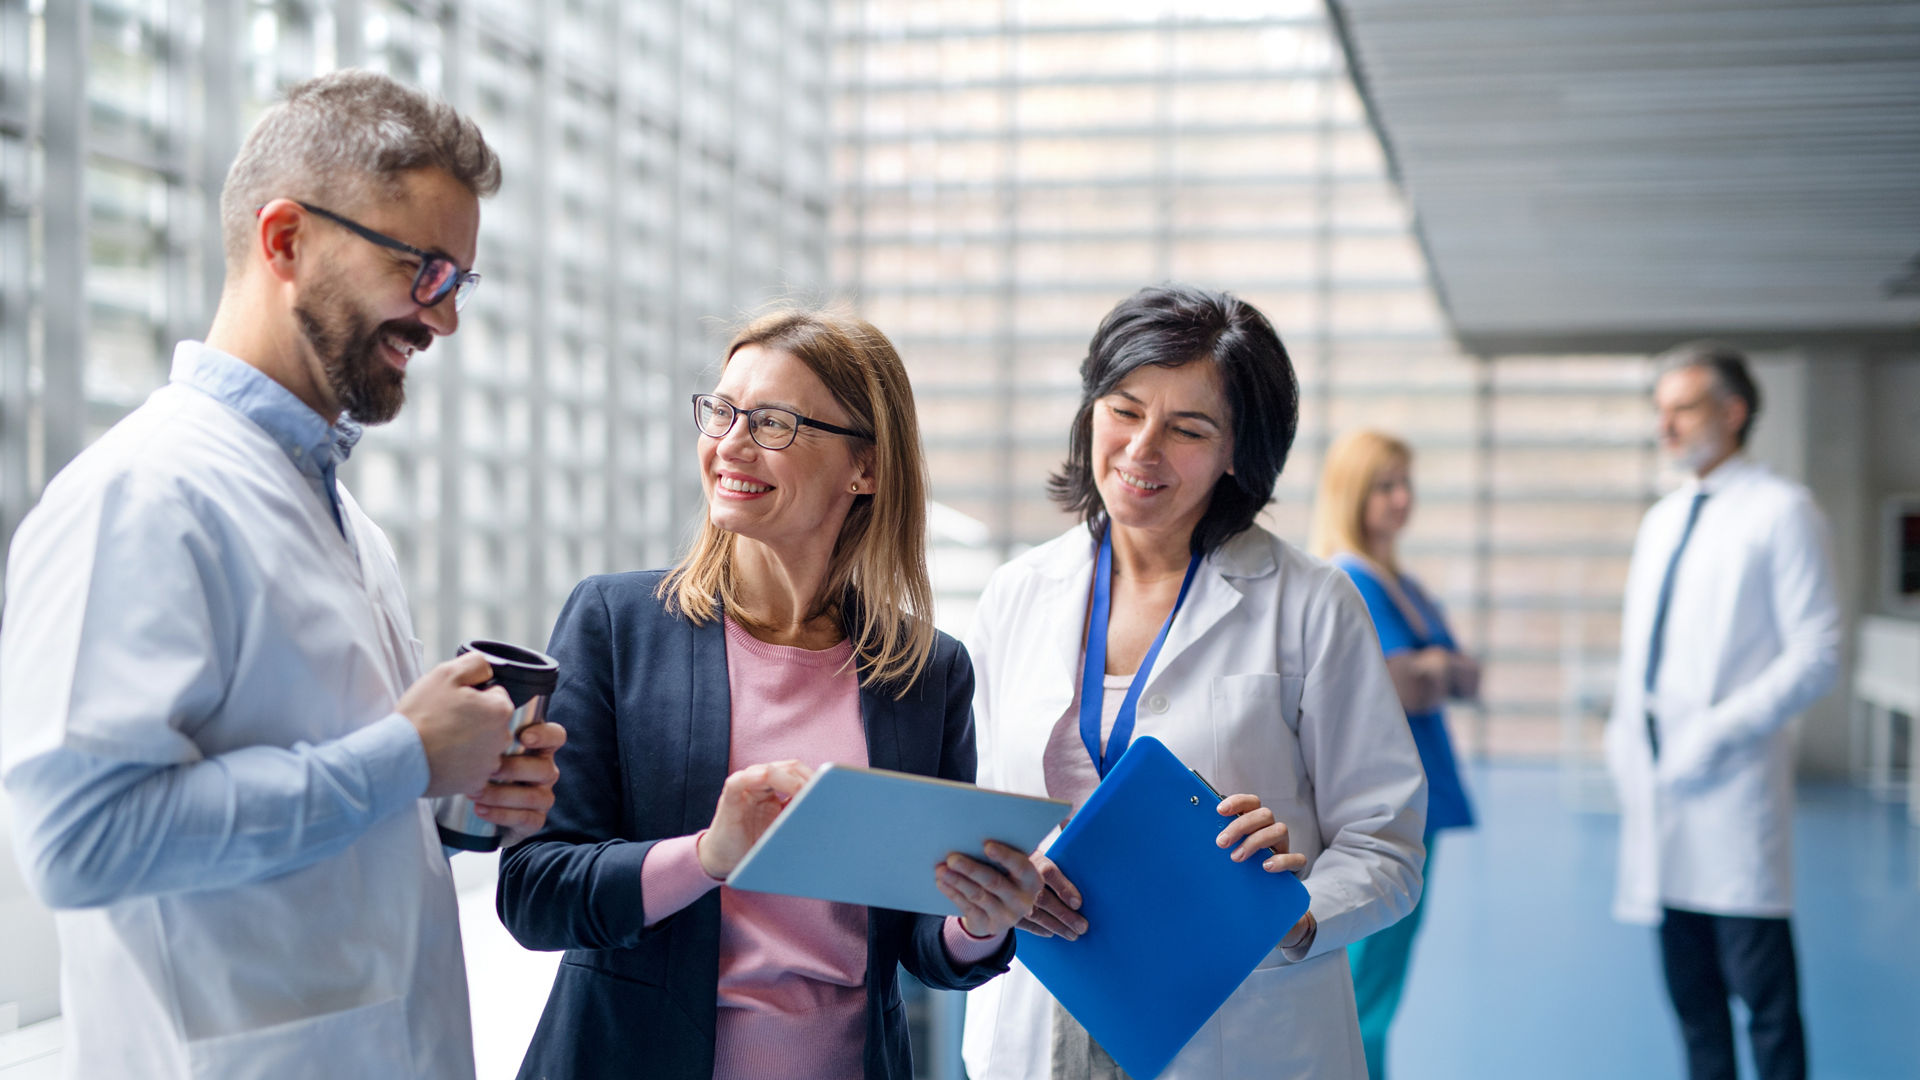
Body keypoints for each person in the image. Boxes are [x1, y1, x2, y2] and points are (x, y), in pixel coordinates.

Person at [0, 70, 566, 1079]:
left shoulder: (349, 522)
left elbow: (329, 796)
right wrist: (402, 757)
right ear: (285, 241)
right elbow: (80, 843)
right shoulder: (138, 497)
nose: (444, 321)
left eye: (460, 283)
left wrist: (458, 798)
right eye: (423, 269)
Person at [496, 308, 1044, 1080]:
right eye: (721, 411)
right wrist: (708, 856)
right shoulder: (616, 624)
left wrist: (977, 924)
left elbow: (922, 944)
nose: (729, 444)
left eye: (774, 422)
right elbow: (534, 895)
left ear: (867, 469)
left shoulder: (926, 672)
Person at [960, 285, 1428, 1080]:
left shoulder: (1310, 603)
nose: (1142, 449)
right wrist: (1000, 877)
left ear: (1238, 451)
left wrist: (1293, 911)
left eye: (1188, 428)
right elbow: (971, 805)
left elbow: (1387, 844)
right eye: (1124, 409)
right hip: (1040, 1017)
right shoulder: (1019, 593)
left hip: (1239, 1028)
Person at [1607, 342, 1839, 1080]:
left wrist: (1719, 730)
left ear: (1734, 413)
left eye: (1683, 408)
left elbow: (1819, 651)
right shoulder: (1664, 520)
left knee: (1765, 1006)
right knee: (1694, 1007)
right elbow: (1643, 651)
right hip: (1659, 793)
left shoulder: (1782, 511)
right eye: (1660, 411)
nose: (1665, 426)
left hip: (1732, 791)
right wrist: (1623, 740)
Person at [1309, 428, 1478, 1080]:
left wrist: (1432, 669)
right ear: (1352, 493)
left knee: (1384, 974)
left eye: (1405, 483)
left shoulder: (1401, 581)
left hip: (1421, 799)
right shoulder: (1350, 580)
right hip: (1379, 804)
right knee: (1366, 986)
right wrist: (1432, 670)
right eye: (1384, 485)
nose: (1401, 499)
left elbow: (1466, 676)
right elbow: (1396, 686)